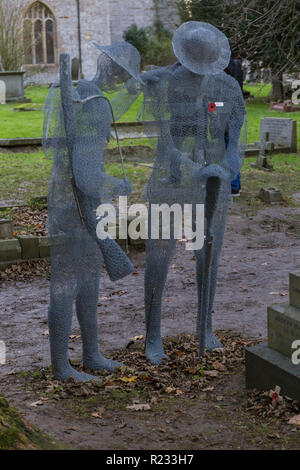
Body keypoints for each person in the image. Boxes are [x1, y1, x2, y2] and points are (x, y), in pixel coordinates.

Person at [225, 40, 244, 196]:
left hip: (226, 113)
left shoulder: (221, 68)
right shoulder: (237, 64)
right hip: (238, 111)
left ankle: (233, 186)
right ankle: (234, 184)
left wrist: (210, 105)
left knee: (229, 148)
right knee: (232, 147)